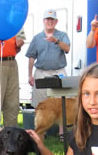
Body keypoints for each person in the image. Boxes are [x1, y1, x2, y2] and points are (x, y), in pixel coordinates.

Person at [26, 9, 71, 137]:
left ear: (56, 21)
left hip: (59, 71)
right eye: (47, 19)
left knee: (62, 102)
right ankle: (40, 132)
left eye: (52, 19)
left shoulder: (62, 35)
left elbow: (67, 48)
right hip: (41, 72)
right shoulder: (37, 38)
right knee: (39, 102)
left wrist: (56, 41)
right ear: (44, 21)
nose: (50, 22)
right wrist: (30, 75)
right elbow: (31, 57)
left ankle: (62, 133)